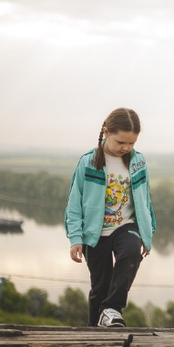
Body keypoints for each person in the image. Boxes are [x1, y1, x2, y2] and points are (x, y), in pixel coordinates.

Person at [64, 107, 156, 327]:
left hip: (126, 226)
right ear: (106, 132)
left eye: (131, 143)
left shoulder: (138, 162)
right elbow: (74, 203)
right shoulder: (88, 162)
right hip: (95, 234)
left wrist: (147, 232)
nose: (126, 148)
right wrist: (75, 238)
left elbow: (145, 199)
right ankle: (95, 332)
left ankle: (112, 308)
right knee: (100, 286)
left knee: (131, 254)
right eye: (120, 142)